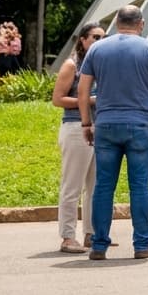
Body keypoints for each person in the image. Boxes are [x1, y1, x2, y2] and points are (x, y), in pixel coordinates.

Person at [76, 5, 148, 260]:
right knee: (140, 186)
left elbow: (83, 89)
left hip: (106, 125)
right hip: (140, 124)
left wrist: (87, 123)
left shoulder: (97, 48)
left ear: (117, 23)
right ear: (140, 24)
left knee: (103, 187)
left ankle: (98, 245)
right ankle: (142, 244)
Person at [52, 22, 105, 254]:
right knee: (72, 184)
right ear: (82, 39)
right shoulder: (71, 65)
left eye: (104, 37)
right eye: (95, 37)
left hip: (98, 127)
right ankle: (67, 236)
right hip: (75, 126)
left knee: (94, 186)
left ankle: (91, 234)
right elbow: (58, 99)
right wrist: (88, 101)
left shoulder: (99, 65)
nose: (100, 41)